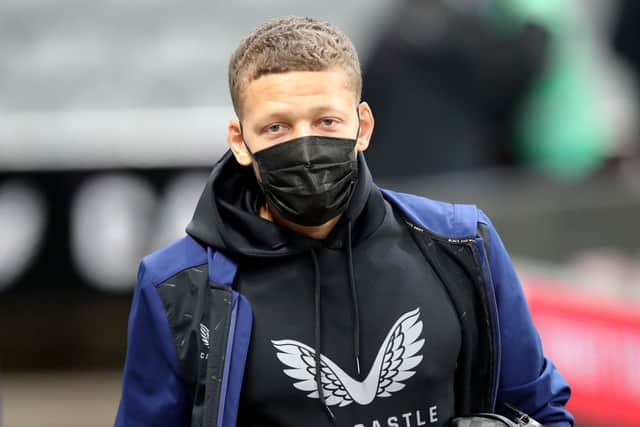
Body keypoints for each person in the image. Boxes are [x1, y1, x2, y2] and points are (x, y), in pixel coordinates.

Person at [115, 16, 573, 427]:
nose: (306, 145)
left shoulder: (461, 243)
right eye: (277, 127)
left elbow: (540, 411)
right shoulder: (178, 287)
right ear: (239, 140)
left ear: (363, 126)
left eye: (326, 121)